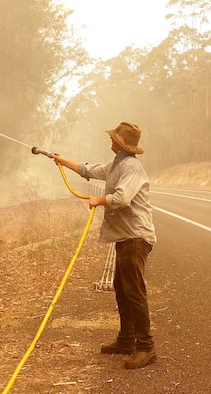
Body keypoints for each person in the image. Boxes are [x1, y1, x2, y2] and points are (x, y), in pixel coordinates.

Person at [52, 121, 157, 369]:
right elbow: (92, 170)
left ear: (121, 144)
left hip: (136, 237)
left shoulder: (132, 167)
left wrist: (98, 200)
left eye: (115, 138)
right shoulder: (118, 164)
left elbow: (122, 198)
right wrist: (65, 161)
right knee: (122, 290)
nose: (111, 141)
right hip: (125, 237)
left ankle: (146, 347)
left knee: (134, 292)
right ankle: (126, 340)